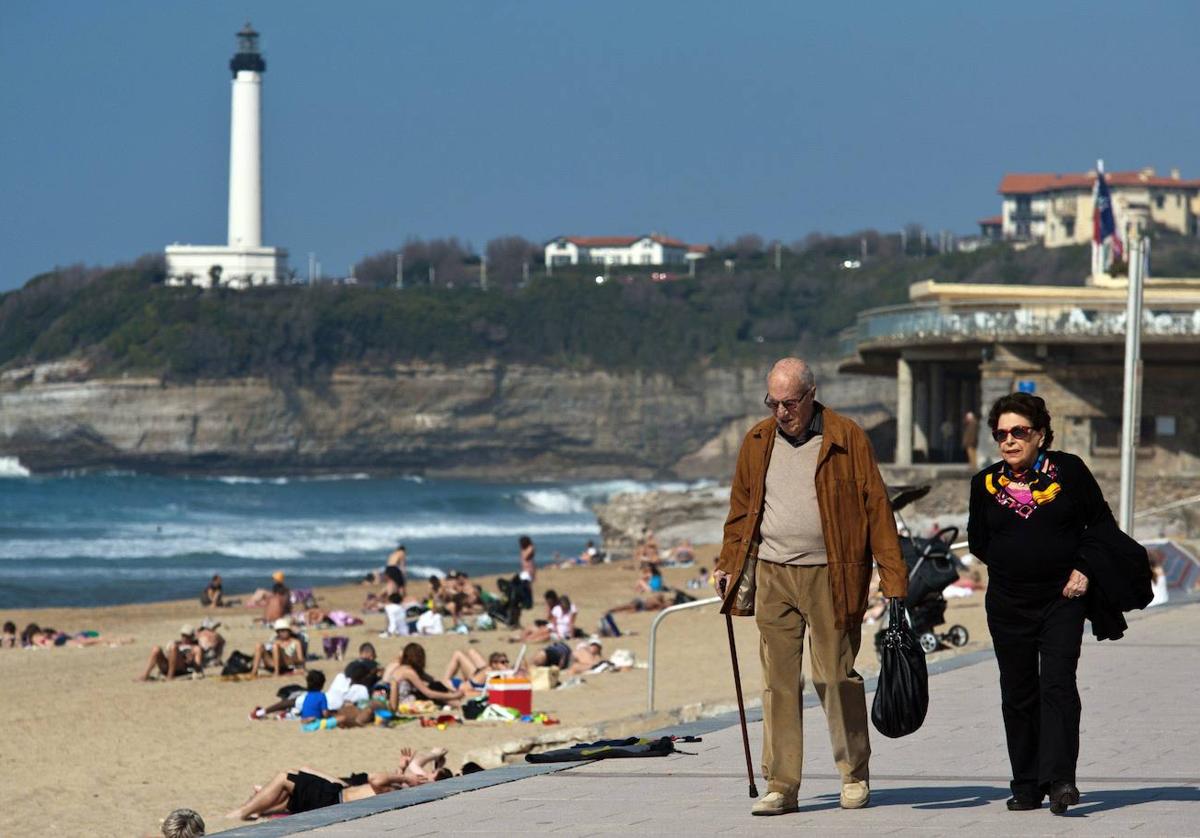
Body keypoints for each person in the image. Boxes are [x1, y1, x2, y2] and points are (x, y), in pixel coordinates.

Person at [713, 358, 907, 815]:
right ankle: (781, 785)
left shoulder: (846, 437)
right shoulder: (757, 441)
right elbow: (741, 509)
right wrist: (727, 564)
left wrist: (893, 578)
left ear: (811, 393)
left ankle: (854, 773)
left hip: (833, 573)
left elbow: (877, 508)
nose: (782, 412)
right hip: (773, 574)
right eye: (774, 403)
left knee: (835, 676)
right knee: (779, 682)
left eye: (790, 402)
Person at [967, 392, 1144, 815]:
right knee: (1018, 691)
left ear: (1040, 434)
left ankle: (1062, 780)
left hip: (1062, 599)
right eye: (1001, 434)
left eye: (1019, 432)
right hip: (1008, 604)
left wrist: (1082, 568)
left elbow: (1100, 525)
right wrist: (1016, 567)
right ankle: (1027, 784)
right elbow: (979, 541)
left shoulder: (1070, 471)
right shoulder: (985, 484)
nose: (1009, 440)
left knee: (1058, 685)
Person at [225, 749, 442, 821]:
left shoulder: (412, 792)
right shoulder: (410, 794)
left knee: (285, 778)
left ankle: (242, 812)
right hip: (336, 797)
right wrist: (401, 770)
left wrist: (406, 777)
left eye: (429, 776)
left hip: (334, 800)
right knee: (293, 783)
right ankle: (257, 808)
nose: (423, 775)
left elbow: (376, 780)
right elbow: (385, 787)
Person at [385, 642, 465, 710]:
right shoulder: (409, 672)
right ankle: (459, 704)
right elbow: (428, 693)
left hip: (401, 700)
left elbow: (430, 679)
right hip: (404, 702)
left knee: (436, 685)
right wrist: (452, 695)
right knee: (435, 688)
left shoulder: (403, 668)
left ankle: (457, 703)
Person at [137, 626, 204, 681]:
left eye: (187, 636)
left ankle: (170, 676)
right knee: (156, 649)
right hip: (168, 665)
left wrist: (191, 661)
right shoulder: (177, 643)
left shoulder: (195, 648)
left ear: (191, 636)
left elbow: (198, 667)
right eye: (183, 635)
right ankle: (145, 675)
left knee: (173, 647)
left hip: (182, 668)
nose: (184, 638)